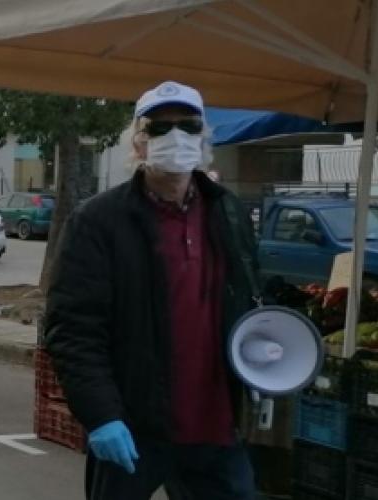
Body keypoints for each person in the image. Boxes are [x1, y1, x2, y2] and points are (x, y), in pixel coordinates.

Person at [43, 81, 258, 500]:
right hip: (133, 426)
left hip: (214, 425)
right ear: (138, 143)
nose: (175, 137)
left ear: (203, 138)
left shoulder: (227, 212)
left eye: (188, 126)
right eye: (159, 128)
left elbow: (246, 298)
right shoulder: (98, 221)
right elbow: (73, 329)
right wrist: (101, 415)